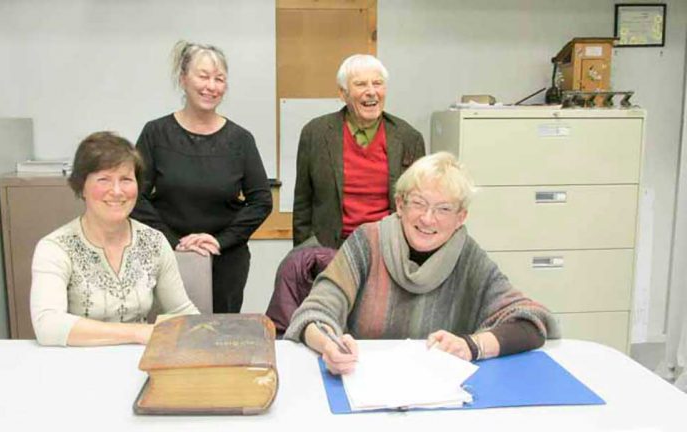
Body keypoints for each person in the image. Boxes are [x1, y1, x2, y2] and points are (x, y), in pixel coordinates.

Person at [285, 152, 559, 374]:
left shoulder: (468, 256)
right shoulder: (367, 241)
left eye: (443, 209)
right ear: (400, 204)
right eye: (419, 203)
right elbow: (314, 314)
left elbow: (531, 322)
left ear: (461, 217)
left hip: (441, 395)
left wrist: (471, 346)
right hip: (363, 383)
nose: (428, 219)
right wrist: (329, 345)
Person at [131, 41, 272, 313]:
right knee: (168, 335)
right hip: (166, 255)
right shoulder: (155, 133)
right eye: (203, 76)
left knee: (220, 336)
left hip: (225, 258)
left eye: (219, 79)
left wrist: (220, 241)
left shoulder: (240, 140)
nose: (212, 86)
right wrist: (174, 243)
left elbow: (261, 201)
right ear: (183, 79)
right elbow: (136, 197)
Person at [31, 132, 199, 347]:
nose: (117, 191)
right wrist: (138, 333)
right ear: (81, 187)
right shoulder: (55, 248)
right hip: (77, 365)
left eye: (126, 179)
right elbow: (48, 326)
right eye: (104, 179)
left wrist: (212, 340)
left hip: (139, 363)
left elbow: (180, 311)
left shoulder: (154, 241)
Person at [293, 54, 425, 249]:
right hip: (330, 250)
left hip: (389, 249)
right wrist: (305, 254)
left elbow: (420, 204)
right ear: (343, 93)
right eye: (361, 84)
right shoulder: (315, 134)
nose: (371, 92)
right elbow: (303, 205)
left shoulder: (408, 138)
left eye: (378, 83)